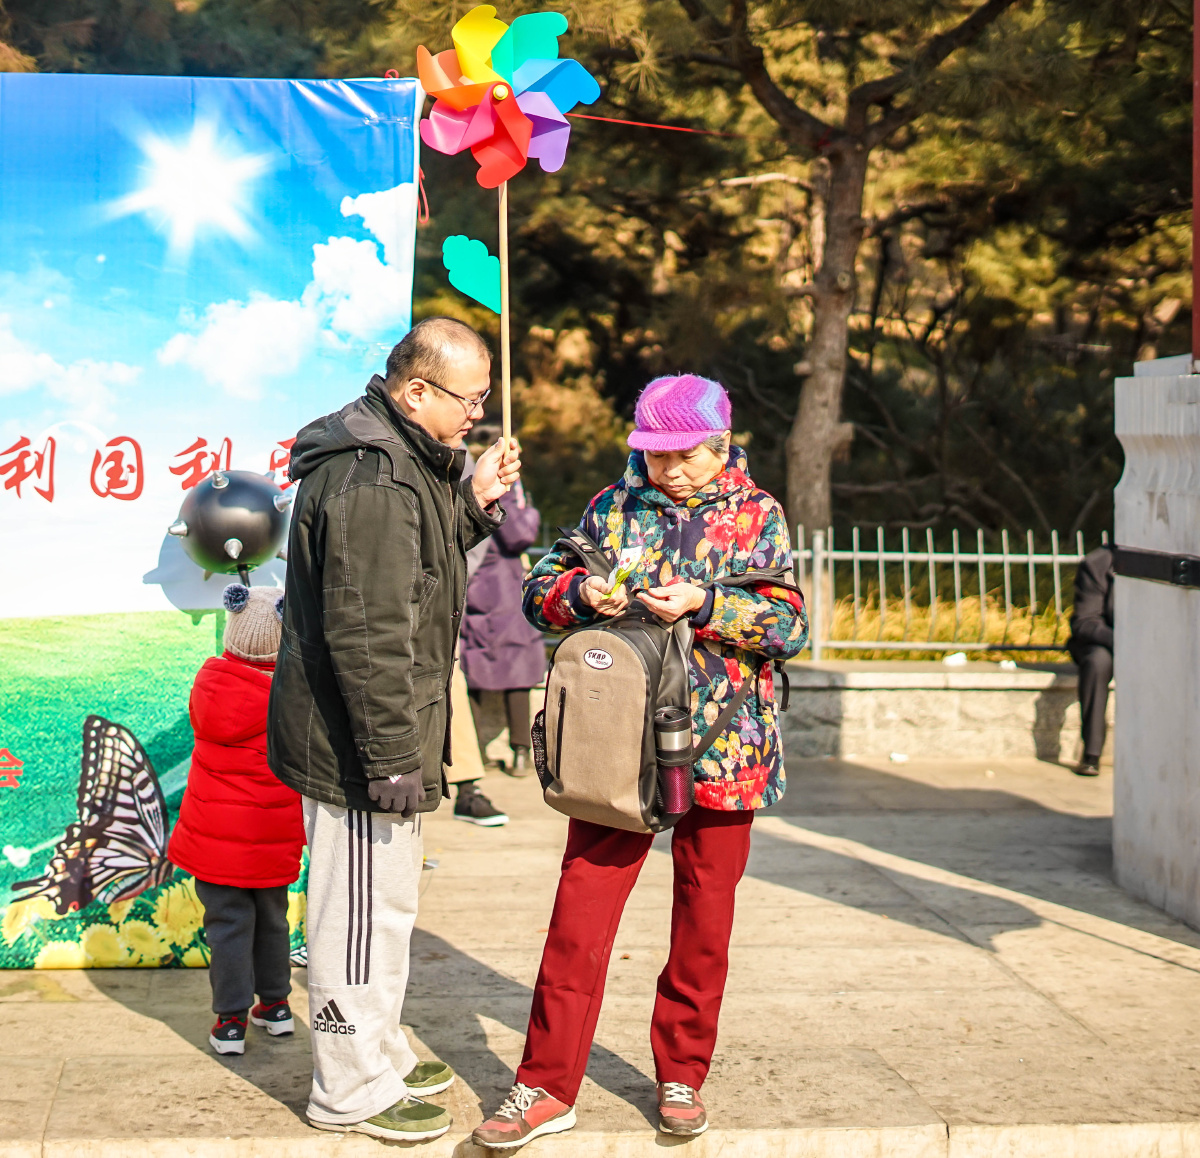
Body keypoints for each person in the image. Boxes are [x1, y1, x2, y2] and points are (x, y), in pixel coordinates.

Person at [472, 374, 808, 1150]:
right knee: (579, 911)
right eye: (657, 457)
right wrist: (581, 594)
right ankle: (544, 1084)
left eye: (685, 457)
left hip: (725, 742)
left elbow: (789, 621)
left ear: (720, 445)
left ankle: (682, 1071)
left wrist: (708, 605)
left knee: (704, 917)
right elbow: (539, 592)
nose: (671, 472)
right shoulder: (609, 507)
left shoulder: (759, 513)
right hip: (614, 740)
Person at [267, 317, 520, 1143]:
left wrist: (473, 502)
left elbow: (422, 567)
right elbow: (369, 631)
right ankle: (349, 1087)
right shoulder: (374, 479)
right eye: (467, 398)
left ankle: (380, 1049)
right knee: (356, 914)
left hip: (388, 733)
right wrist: (388, 757)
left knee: (389, 905)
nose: (477, 413)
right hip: (362, 745)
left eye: (484, 397)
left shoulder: (407, 463)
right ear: (416, 392)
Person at [168, 582, 305, 1057]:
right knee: (273, 920)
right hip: (271, 836)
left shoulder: (208, 684)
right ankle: (277, 1006)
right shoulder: (292, 695)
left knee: (225, 925)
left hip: (215, 840)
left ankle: (230, 1021)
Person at [460, 423, 546, 784]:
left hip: (481, 589)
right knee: (511, 675)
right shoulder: (492, 485)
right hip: (500, 593)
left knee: (485, 674)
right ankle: (513, 750)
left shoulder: (461, 477)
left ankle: (483, 753)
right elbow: (518, 534)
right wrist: (522, 503)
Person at [1067, 542, 1115, 776]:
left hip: (1150, 642)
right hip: (1104, 641)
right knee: (1098, 662)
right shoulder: (1098, 563)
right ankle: (1092, 753)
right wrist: (1123, 641)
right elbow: (1085, 621)